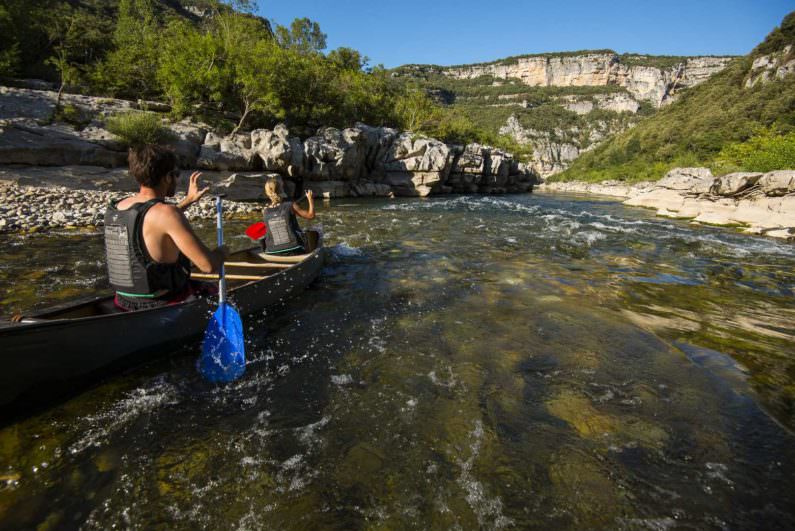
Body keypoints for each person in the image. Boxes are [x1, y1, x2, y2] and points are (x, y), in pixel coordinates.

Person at [104, 144, 228, 311]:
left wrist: (188, 201)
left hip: (123, 301)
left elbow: (149, 223)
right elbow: (208, 266)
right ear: (167, 177)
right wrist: (223, 252)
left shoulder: (117, 207)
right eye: (175, 174)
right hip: (164, 303)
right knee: (211, 289)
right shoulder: (168, 214)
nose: (176, 179)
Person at [262, 177, 314, 255]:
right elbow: (311, 216)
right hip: (294, 249)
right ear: (281, 190)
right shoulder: (291, 205)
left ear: (267, 193)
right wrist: (310, 199)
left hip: (272, 251)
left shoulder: (265, 211)